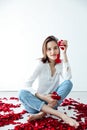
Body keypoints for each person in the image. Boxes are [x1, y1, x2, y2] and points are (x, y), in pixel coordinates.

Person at [18, 36, 79, 128]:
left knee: (68, 83)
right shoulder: (40, 64)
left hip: (52, 102)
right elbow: (25, 85)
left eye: (55, 48)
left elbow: (67, 77)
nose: (53, 52)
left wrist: (64, 53)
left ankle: (42, 113)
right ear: (45, 51)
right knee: (22, 93)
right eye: (49, 49)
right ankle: (62, 115)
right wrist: (44, 97)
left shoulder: (59, 63)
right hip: (35, 104)